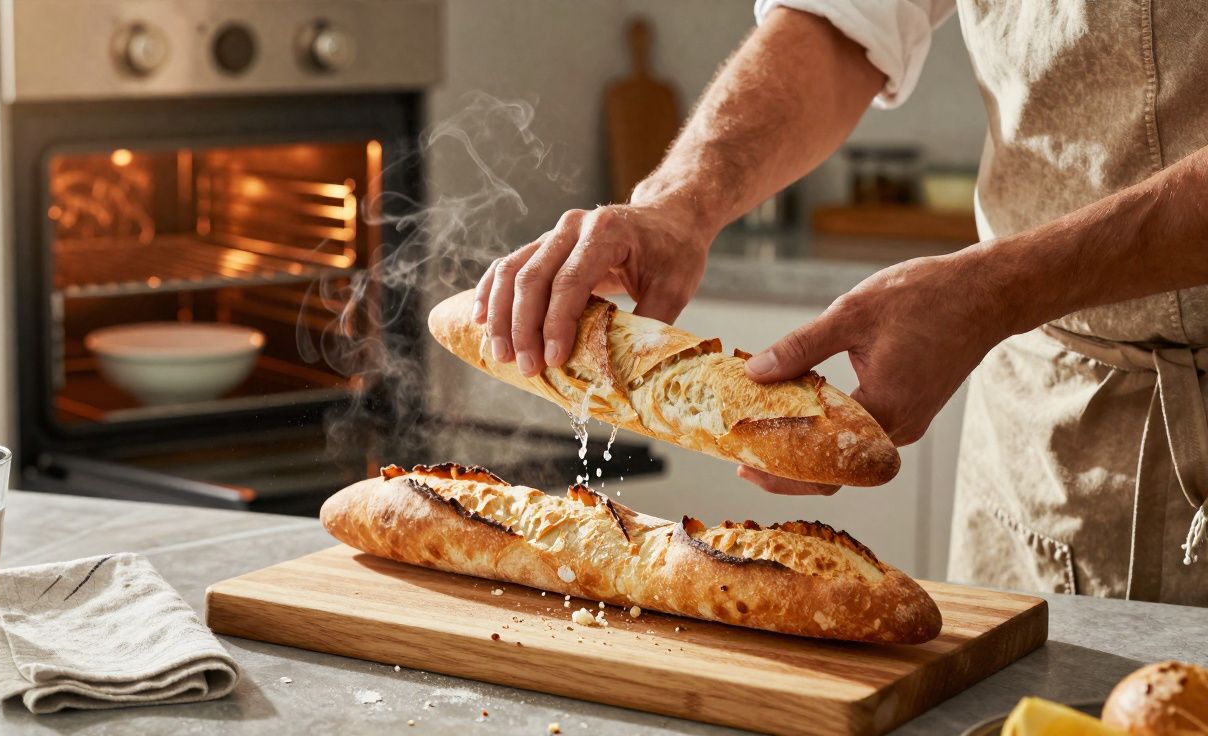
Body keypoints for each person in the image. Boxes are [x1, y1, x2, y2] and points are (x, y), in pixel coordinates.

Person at [470, 1, 1208, 605]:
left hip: (1021, 321)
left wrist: (998, 289)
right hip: (1042, 427)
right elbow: (838, 24)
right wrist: (677, 203)